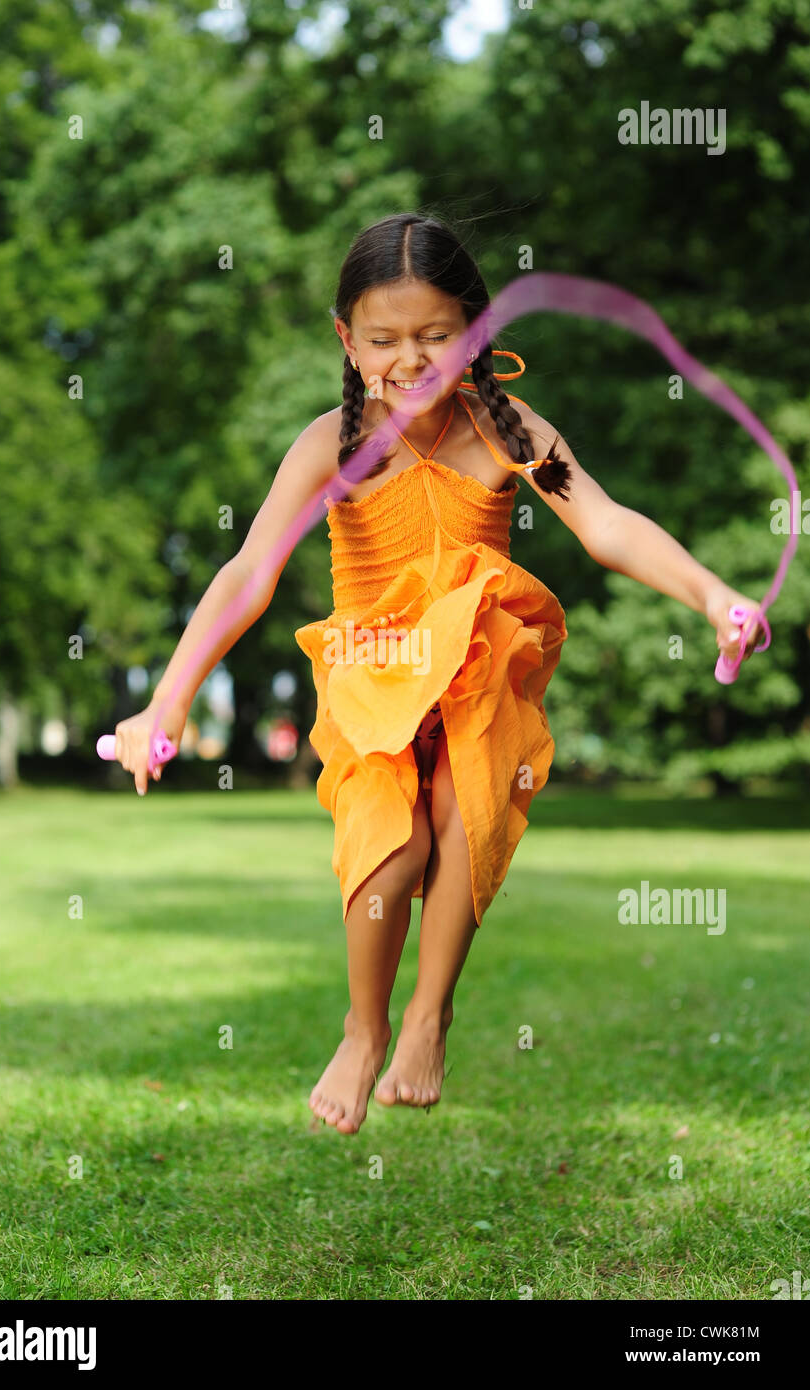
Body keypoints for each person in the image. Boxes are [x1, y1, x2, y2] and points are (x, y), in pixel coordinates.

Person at [112, 212, 762, 1135]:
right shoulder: (329, 446)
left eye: (436, 337)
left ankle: (429, 1014)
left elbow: (607, 524)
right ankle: (364, 1024)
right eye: (383, 340)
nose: (410, 361)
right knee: (397, 842)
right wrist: (166, 698)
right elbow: (247, 574)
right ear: (346, 338)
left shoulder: (507, 428)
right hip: (371, 679)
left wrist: (710, 596)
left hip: (471, 671)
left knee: (466, 803)